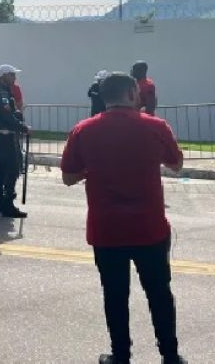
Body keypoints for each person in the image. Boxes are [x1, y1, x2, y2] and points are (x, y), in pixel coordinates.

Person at [60, 72, 186, 364]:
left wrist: (93, 169)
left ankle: (121, 355)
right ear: (131, 93)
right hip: (150, 228)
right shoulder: (155, 126)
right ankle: (170, 355)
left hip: (107, 230)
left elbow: (68, 177)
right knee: (159, 293)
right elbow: (177, 164)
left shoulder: (83, 130)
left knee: (115, 295)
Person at [0, 65, 30, 218]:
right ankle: (7, 205)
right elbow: (6, 116)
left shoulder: (3, 92)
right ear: (3, 76)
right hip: (5, 136)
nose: (14, 78)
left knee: (1, 170)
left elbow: (11, 113)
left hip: (3, 136)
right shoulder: (0, 93)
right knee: (11, 170)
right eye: (12, 75)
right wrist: (22, 126)